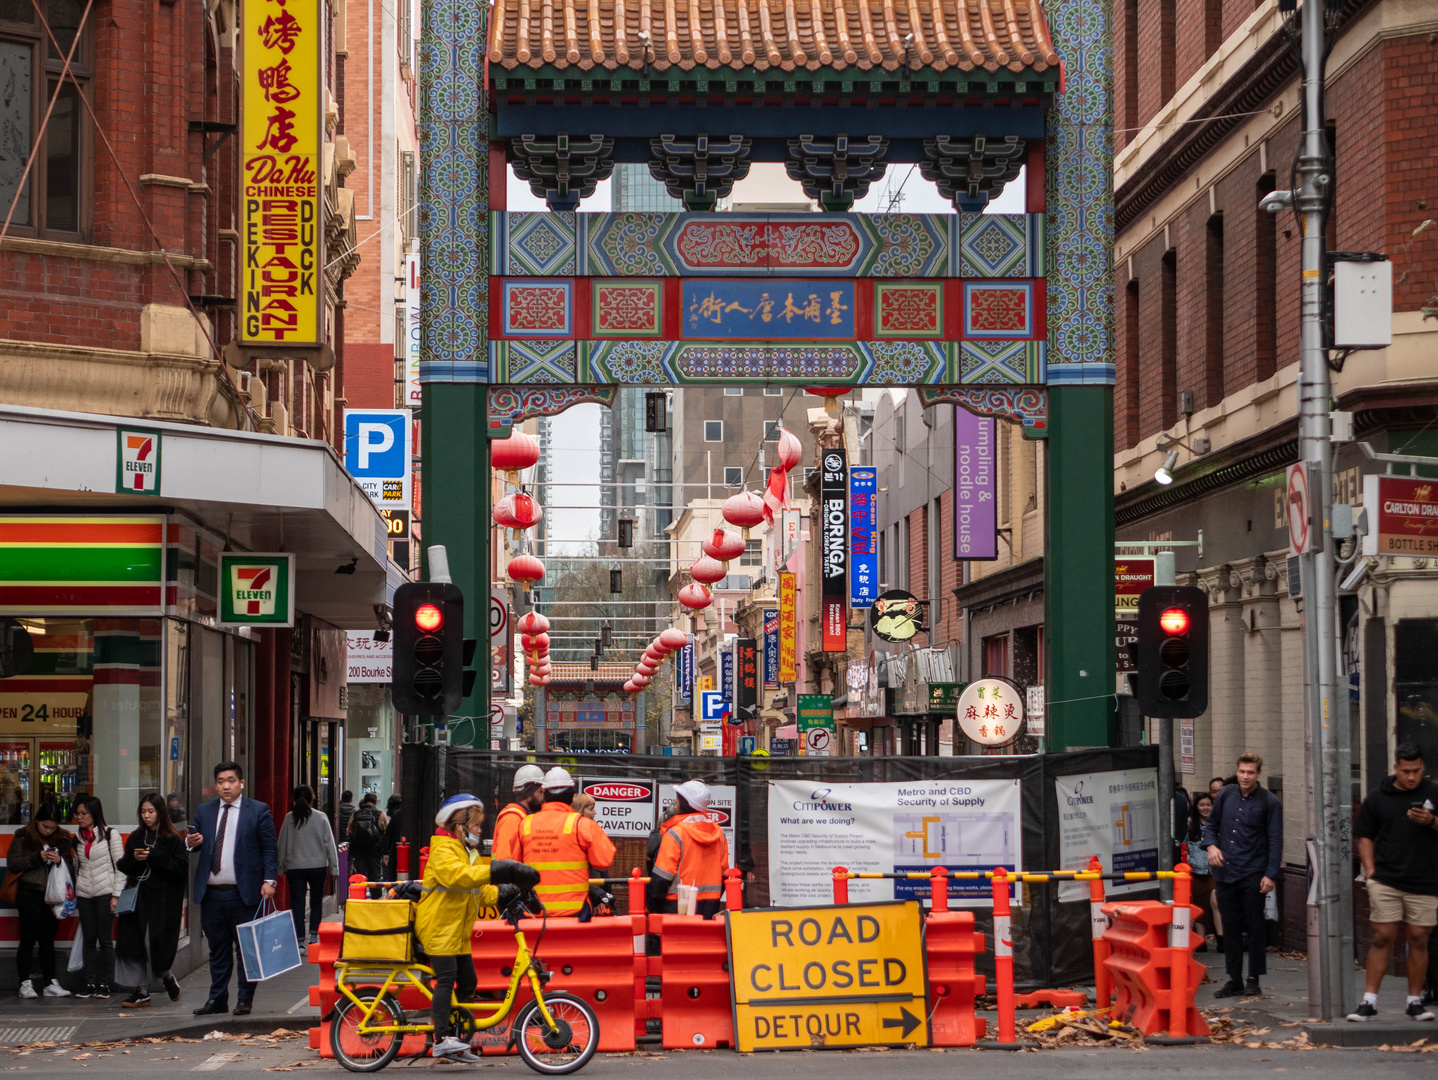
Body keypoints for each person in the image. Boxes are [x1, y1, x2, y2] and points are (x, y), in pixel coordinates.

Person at [417, 794, 538, 1062]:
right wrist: (501, 869)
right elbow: (459, 878)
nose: (480, 831)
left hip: (456, 931)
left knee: (469, 981)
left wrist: (510, 892)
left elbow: (478, 892)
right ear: (459, 826)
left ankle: (456, 1038)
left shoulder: (466, 852)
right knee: (446, 979)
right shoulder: (443, 850)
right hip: (438, 927)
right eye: (476, 826)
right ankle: (441, 1038)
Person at [1347, 742, 1438, 1022]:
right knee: (1382, 936)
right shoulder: (1377, 798)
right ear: (1395, 767)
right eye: (1406, 771)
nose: (1411, 777)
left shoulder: (1433, 793)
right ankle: (1369, 1001)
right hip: (1386, 879)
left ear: (1423, 768)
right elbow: (1363, 834)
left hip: (1426, 880)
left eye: (1417, 771)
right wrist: (1370, 870)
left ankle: (1414, 1001)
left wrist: (1431, 821)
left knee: (1419, 939)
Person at [185, 761, 278, 1016]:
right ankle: (217, 998)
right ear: (215, 785)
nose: (225, 786)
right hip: (212, 893)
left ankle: (245, 999)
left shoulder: (257, 810)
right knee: (218, 949)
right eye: (220, 782)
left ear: (241, 783)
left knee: (247, 949)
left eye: (231, 781)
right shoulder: (204, 811)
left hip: (244, 893)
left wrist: (269, 880)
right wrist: (190, 842)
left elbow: (269, 847)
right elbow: (193, 843)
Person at [1201, 751, 1282, 998]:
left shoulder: (1269, 802)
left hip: (1253, 872)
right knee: (1230, 926)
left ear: (1258, 774)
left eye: (1250, 772)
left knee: (1255, 927)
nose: (1245, 776)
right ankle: (1233, 978)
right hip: (1226, 871)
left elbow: (1275, 840)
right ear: (1237, 771)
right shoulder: (1225, 794)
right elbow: (1212, 825)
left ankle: (1253, 979)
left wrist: (1270, 874)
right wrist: (1212, 846)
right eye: (1241, 772)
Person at [115, 793, 189, 1007]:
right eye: (143, 812)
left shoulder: (172, 839)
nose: (146, 816)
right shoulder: (136, 836)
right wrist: (134, 859)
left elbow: (179, 869)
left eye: (151, 811)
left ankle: (166, 976)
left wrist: (154, 856)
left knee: (153, 943)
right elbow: (124, 865)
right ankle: (141, 990)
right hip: (137, 898)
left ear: (160, 812)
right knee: (133, 943)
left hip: (160, 901)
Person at [516, 767, 616, 917]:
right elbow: (604, 860)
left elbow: (514, 863)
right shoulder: (582, 824)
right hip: (575, 912)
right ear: (571, 795)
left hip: (534, 912)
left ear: (545, 793)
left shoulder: (525, 824)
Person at [7, 802, 76, 998]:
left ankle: (50, 982)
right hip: (29, 892)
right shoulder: (23, 836)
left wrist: (59, 860)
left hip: (53, 895)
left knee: (47, 940)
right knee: (28, 938)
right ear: (36, 821)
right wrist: (37, 857)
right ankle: (24, 983)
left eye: (52, 827)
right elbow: (13, 862)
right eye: (44, 826)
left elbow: (71, 866)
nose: (48, 831)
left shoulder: (63, 838)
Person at [646, 779, 728, 919]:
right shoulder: (719, 833)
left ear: (682, 803)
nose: (675, 803)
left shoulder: (675, 833)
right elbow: (724, 874)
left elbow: (661, 878)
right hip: (709, 907)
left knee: (671, 941)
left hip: (675, 907)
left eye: (677, 799)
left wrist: (651, 909)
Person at [71, 797, 124, 999]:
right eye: (78, 814)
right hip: (84, 893)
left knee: (105, 940)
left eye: (84, 813)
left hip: (105, 893)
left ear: (95, 813)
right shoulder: (77, 837)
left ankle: (104, 983)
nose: (80, 817)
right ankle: (89, 983)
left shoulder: (111, 835)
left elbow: (121, 867)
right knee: (88, 940)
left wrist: (116, 895)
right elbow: (78, 867)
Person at [277, 785, 339, 947]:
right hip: (317, 866)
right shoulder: (321, 817)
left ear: (293, 799)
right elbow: (330, 845)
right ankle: (313, 937)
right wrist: (334, 868)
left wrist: (280, 867)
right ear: (313, 799)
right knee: (316, 901)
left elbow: (282, 843)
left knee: (297, 903)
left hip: (295, 867)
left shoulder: (289, 818)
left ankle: (299, 941)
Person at [492, 765, 546, 861]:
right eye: (539, 792)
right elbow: (503, 860)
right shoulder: (512, 819)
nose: (542, 797)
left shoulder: (522, 816)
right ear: (528, 795)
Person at [1185, 792, 1215, 950]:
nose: (1205, 808)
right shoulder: (1190, 825)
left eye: (1208, 804)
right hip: (1196, 871)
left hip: (1214, 870)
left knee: (1216, 903)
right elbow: (1183, 845)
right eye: (1201, 805)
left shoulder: (1217, 823)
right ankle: (1200, 939)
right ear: (1196, 807)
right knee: (1199, 905)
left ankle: (1222, 938)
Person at [347, 792, 387, 883]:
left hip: (359, 851)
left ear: (364, 801)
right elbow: (387, 831)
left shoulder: (356, 814)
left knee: (360, 877)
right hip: (375, 851)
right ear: (375, 802)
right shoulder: (380, 814)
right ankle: (376, 896)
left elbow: (349, 831)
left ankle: (360, 896)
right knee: (375, 877)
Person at [383, 794, 403, 875]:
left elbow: (388, 834)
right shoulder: (400, 814)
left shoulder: (393, 815)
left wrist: (386, 851)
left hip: (394, 850)